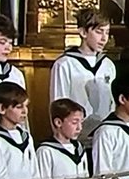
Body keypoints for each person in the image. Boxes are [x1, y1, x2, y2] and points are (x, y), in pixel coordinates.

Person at [48, 8, 115, 136]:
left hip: (104, 134)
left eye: (107, 32)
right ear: (83, 32)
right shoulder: (65, 64)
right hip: (76, 135)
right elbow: (58, 104)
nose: (104, 38)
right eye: (99, 32)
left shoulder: (108, 65)